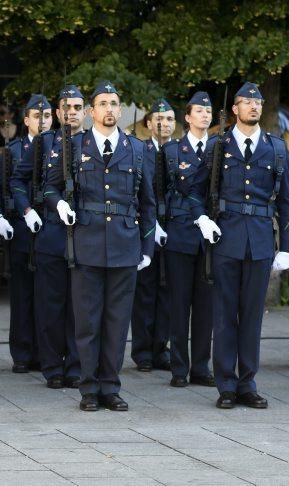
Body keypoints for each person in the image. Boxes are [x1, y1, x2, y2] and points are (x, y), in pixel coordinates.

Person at [44, 81, 156, 412]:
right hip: (87, 242)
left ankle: (111, 386)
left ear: (120, 111)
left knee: (117, 322)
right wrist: (58, 205)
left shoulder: (137, 149)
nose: (109, 109)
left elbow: (148, 203)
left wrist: (147, 249)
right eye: (103, 103)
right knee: (88, 321)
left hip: (124, 243)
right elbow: (48, 189)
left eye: (114, 103)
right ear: (92, 112)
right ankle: (88, 388)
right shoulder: (73, 146)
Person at [189, 82, 289, 409]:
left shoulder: (275, 148)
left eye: (258, 102)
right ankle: (226, 386)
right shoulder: (218, 146)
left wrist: (287, 246)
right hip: (226, 238)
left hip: (260, 241)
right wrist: (202, 219)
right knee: (224, 315)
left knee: (251, 317)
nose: (254, 107)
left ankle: (248, 383)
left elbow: (286, 204)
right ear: (234, 109)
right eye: (247, 102)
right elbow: (194, 190)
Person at [11, 88, 81, 388]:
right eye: (66, 107)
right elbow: (17, 179)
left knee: (79, 306)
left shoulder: (93, 142)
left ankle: (77, 366)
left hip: (83, 232)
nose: (72, 112)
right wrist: (27, 209)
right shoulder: (44, 143)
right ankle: (52, 366)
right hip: (50, 230)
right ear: (58, 111)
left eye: (78, 107)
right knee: (50, 304)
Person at [162, 91, 215, 387]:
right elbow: (161, 191)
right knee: (179, 304)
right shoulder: (172, 151)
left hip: (209, 238)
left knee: (206, 305)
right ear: (188, 116)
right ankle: (179, 368)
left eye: (208, 111)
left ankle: (201, 367)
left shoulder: (220, 148)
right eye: (200, 111)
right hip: (180, 233)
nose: (205, 115)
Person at [1, 95, 49, 375]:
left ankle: (44, 351)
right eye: (36, 116)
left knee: (47, 293)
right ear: (27, 120)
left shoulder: (59, 147)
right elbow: (4, 186)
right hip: (21, 227)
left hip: (49, 227)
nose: (42, 121)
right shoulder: (14, 149)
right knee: (22, 294)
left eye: (46, 116)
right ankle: (21, 351)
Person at [130, 99, 174, 372]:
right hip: (147, 227)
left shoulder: (178, 151)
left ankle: (162, 347)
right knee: (145, 292)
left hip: (172, 228)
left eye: (169, 119)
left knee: (168, 291)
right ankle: (143, 350)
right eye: (158, 119)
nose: (164, 123)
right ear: (147, 124)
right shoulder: (141, 150)